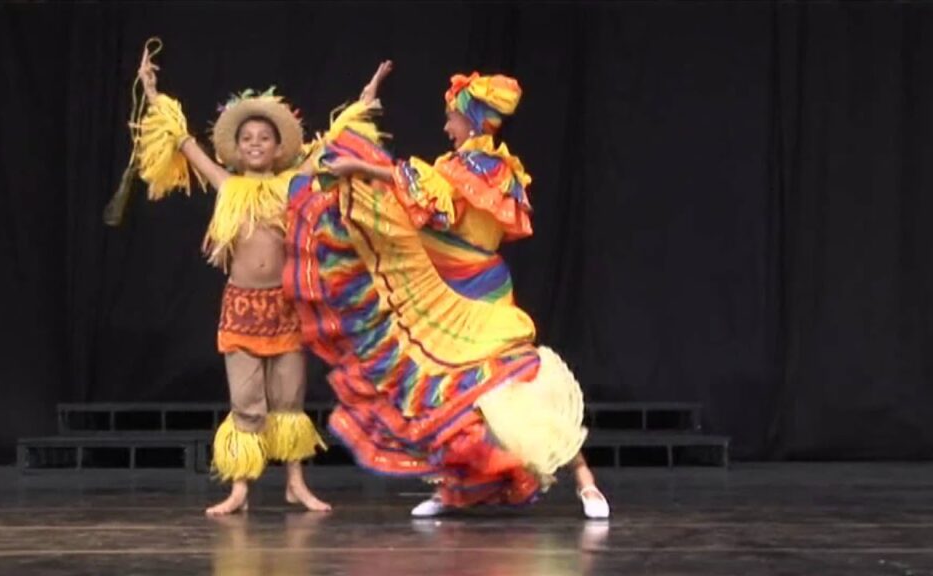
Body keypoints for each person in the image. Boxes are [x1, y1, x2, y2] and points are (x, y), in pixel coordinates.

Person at [285, 64, 611, 519]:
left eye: (451, 119)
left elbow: (417, 188)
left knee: (513, 386)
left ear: (471, 120)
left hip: (480, 293)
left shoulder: (487, 169)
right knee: (449, 394)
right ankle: (453, 489)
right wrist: (364, 115)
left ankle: (585, 481)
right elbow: (413, 192)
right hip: (444, 289)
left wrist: (362, 166)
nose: (445, 128)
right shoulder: (453, 168)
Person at [133, 47, 348, 515]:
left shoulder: (291, 183)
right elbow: (184, 143)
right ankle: (240, 489)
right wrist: (152, 93)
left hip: (286, 304)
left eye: (264, 137)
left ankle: (295, 483)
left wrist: (365, 99)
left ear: (278, 147)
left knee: (289, 400)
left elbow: (331, 146)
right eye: (247, 137)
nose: (255, 143)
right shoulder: (227, 185)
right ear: (237, 146)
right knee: (247, 401)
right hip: (242, 307)